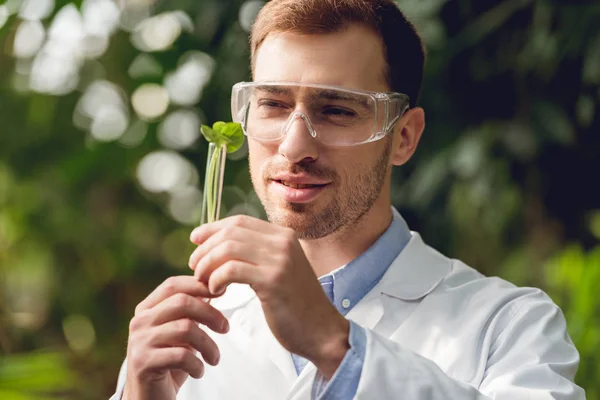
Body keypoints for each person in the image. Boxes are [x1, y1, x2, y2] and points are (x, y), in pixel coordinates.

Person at [111, 0, 586, 399]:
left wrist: (335, 346)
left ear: (403, 137)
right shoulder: (183, 337)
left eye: (336, 110)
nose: (294, 147)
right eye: (273, 105)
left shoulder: (510, 326)